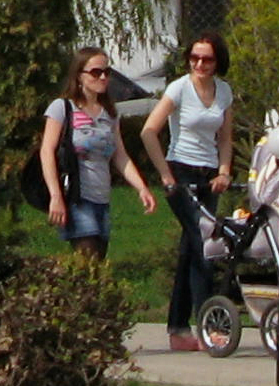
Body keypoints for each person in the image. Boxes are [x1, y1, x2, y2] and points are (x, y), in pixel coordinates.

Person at [143, 33, 236, 350]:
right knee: (203, 245)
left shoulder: (223, 91)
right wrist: (166, 175)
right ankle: (209, 325)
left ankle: (178, 330)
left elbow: (225, 138)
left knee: (189, 251)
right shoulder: (179, 88)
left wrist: (224, 171)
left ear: (217, 61)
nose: (199, 64)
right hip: (180, 171)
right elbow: (149, 131)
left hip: (208, 175)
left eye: (207, 59)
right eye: (194, 58)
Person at [39, 47, 154, 258]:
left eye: (106, 72)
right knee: (87, 263)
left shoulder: (109, 113)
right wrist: (55, 196)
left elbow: (120, 155)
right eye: (95, 72)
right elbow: (47, 151)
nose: (102, 77)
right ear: (79, 76)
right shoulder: (63, 108)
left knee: (97, 264)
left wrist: (141, 188)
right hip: (77, 197)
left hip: (102, 199)